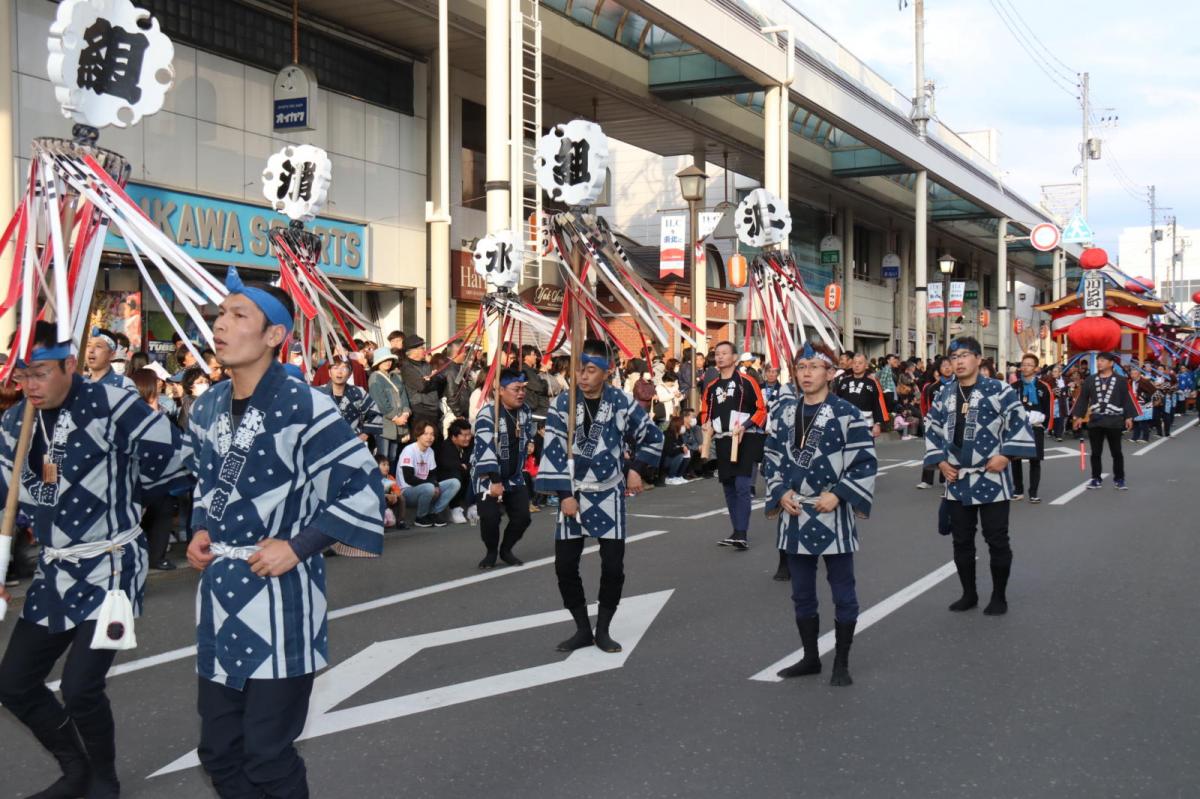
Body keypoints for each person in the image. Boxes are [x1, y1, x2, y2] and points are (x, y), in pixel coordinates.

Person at [184, 269, 384, 799]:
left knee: (268, 754)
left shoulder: (308, 406)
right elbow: (206, 483)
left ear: (275, 335)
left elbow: (363, 485)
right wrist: (201, 527)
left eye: (237, 315)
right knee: (219, 752)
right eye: (220, 314)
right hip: (222, 597)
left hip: (281, 599)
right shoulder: (204, 406)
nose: (221, 325)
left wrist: (298, 546)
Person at [0, 321, 190, 798]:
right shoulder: (13, 422)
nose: (29, 386)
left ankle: (104, 780)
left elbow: (173, 458)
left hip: (113, 568)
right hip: (54, 568)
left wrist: (132, 500)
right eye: (21, 375)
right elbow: (7, 499)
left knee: (82, 686)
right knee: (14, 683)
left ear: (69, 363)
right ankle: (75, 769)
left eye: (39, 373)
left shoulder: (113, 402)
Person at [536, 339, 663, 653]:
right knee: (565, 566)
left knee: (613, 567)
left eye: (591, 370)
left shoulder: (620, 401)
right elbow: (552, 447)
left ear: (606, 373)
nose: (583, 375)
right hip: (574, 495)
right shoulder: (563, 403)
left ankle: (603, 629)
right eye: (580, 369)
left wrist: (636, 468)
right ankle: (581, 628)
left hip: (609, 493)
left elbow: (652, 435)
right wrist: (564, 493)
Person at [763, 343, 877, 686]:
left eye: (814, 366)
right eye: (801, 367)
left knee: (843, 590)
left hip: (833, 512)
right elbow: (770, 458)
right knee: (801, 592)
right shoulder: (784, 413)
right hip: (795, 511)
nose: (807, 373)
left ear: (830, 372)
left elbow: (865, 461)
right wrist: (780, 491)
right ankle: (810, 657)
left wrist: (839, 494)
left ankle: (841, 661)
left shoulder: (847, 413)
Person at [923, 337, 1036, 616]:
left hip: (991, 476)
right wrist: (939, 461)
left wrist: (1006, 455)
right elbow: (932, 428)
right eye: (953, 357)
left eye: (964, 355)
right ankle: (969, 593)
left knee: (996, 538)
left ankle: (999, 596)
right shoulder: (944, 394)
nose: (958, 362)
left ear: (978, 358)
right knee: (961, 540)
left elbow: (1018, 422)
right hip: (957, 478)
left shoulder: (999, 389)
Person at [700, 341, 768, 549]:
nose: (719, 357)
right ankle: (735, 530)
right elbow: (704, 411)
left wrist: (746, 425)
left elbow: (761, 410)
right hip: (722, 439)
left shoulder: (746, 381)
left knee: (741, 485)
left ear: (734, 357)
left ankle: (742, 532)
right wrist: (706, 425)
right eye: (717, 354)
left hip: (744, 438)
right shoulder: (711, 386)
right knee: (728, 486)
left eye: (724, 353)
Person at [470, 370, 535, 568]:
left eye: (523, 389)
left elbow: (528, 433)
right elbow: (484, 448)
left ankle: (506, 549)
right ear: (501, 390)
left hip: (515, 475)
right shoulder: (487, 414)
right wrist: (495, 481)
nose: (521, 393)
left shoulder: (525, 411)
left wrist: (530, 442)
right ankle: (491, 551)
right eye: (516, 389)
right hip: (489, 477)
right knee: (491, 518)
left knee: (523, 517)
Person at [1071, 352, 1137, 489]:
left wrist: (1129, 417)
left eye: (1102, 360)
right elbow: (1083, 399)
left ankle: (1119, 479)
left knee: (1116, 452)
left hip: (1114, 421)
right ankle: (1096, 478)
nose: (1099, 363)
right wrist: (1078, 417)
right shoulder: (1090, 380)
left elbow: (1126, 399)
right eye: (1098, 360)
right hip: (1096, 421)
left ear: (1111, 363)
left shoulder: (1120, 380)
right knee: (1095, 452)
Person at [397, 420, 461, 527]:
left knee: (454, 483)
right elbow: (409, 479)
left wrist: (435, 484)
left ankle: (434, 513)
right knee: (429, 487)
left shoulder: (430, 451)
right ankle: (420, 517)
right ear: (418, 435)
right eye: (425, 434)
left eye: (432, 434)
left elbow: (432, 474)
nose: (429, 437)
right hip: (407, 491)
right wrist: (432, 485)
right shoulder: (409, 451)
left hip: (425, 488)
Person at [1011, 354, 1053, 503]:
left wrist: (1045, 424)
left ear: (1036, 368)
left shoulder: (1043, 387)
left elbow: (1048, 408)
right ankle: (1018, 490)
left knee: (1035, 460)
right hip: (1017, 427)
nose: (1025, 367)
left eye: (1029, 364)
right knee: (1015, 458)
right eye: (1023, 364)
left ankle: (1033, 492)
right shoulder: (1014, 387)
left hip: (1035, 427)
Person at [368, 348, 411, 470]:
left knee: (393, 456)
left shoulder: (395, 377)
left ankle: (391, 483)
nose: (388, 362)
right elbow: (380, 402)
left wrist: (405, 413)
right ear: (378, 363)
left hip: (398, 422)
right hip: (384, 423)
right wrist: (395, 417)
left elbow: (404, 397)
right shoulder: (375, 377)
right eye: (384, 360)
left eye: (389, 360)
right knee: (383, 456)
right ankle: (380, 484)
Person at [836, 353, 890, 437]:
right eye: (854, 363)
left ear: (866, 365)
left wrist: (878, 424)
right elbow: (837, 402)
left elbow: (878, 404)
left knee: (865, 449)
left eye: (860, 363)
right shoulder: (844, 381)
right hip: (845, 424)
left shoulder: (872, 382)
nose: (857, 365)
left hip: (866, 424)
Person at [400, 335, 445, 428]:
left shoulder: (425, 364)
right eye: (422, 348)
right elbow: (422, 386)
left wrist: (431, 379)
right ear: (413, 351)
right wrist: (432, 379)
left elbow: (440, 380)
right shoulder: (407, 367)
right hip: (420, 410)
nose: (424, 350)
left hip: (433, 408)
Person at [438, 418, 476, 525]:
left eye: (469, 434)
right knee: (456, 474)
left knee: (477, 472)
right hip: (446, 482)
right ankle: (454, 508)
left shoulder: (470, 444)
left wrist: (465, 466)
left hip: (465, 479)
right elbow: (450, 465)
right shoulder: (446, 447)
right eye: (464, 435)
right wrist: (462, 466)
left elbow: (473, 462)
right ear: (454, 437)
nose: (468, 438)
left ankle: (473, 506)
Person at [83, 327, 137, 391]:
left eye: (98, 346)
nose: (91, 350)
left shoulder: (124, 385)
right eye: (89, 345)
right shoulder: (79, 384)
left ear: (112, 355)